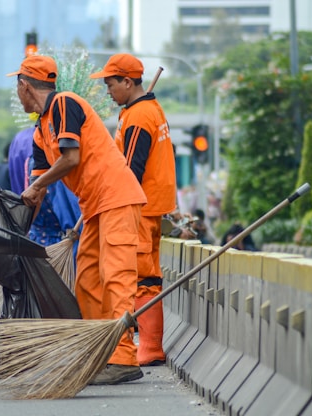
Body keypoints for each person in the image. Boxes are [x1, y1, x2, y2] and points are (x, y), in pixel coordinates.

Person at [11, 55, 147, 385]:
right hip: (93, 206)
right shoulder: (40, 129)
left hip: (116, 199)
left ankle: (124, 356)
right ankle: (100, 352)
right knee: (87, 280)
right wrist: (14, 227)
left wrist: (37, 185)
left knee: (116, 277)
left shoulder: (65, 104)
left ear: (25, 86)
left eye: (17, 87)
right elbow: (38, 181)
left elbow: (70, 158)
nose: (17, 93)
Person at [90, 53, 177, 367]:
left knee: (139, 279)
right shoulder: (147, 109)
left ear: (128, 81)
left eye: (111, 84)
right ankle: (150, 347)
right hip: (152, 207)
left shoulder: (139, 116)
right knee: (149, 277)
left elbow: (132, 169)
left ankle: (148, 348)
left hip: (138, 208)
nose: (108, 91)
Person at [8, 126, 81, 247]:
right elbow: (70, 217)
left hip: (33, 238)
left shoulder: (20, 140)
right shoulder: (51, 155)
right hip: (59, 243)